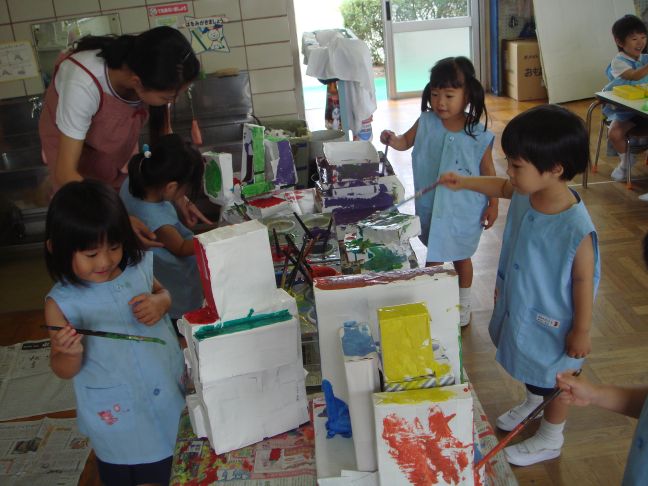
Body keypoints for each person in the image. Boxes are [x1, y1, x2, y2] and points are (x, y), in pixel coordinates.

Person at [438, 104, 600, 466]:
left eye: (516, 165)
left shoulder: (576, 228)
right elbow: (501, 186)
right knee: (531, 361)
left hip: (557, 321)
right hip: (526, 301)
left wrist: (582, 330)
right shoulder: (531, 191)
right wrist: (464, 181)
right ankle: (534, 401)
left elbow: (584, 281)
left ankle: (551, 437)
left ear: (555, 168)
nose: (509, 171)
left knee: (557, 378)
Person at [44, 180, 184, 486]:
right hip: (120, 418)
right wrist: (69, 353)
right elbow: (62, 369)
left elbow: (163, 293)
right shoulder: (62, 303)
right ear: (57, 249)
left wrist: (161, 303)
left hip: (167, 394)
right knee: (134, 472)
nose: (105, 261)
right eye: (91, 254)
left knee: (176, 466)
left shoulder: (138, 267)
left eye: (114, 247)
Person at [38, 26, 209, 244]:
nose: (173, 102)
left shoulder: (152, 70)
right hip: (72, 165)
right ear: (137, 82)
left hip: (113, 154)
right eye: (168, 98)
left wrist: (179, 196)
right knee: (94, 232)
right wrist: (119, 219)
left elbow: (164, 142)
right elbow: (65, 172)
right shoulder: (83, 83)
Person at [379, 56, 497, 327]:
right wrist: (392, 139)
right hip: (432, 205)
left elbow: (489, 173)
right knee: (434, 254)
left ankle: (463, 304)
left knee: (461, 257)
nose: (440, 102)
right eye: (434, 94)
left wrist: (494, 204)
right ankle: (430, 300)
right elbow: (404, 142)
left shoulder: (478, 134)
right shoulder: (426, 122)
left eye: (449, 95)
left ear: (467, 96)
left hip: (464, 211)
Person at [120, 134, 204, 324]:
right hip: (175, 283)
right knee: (182, 321)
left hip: (156, 271)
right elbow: (180, 247)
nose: (185, 194)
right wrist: (214, 237)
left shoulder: (133, 181)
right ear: (171, 187)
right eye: (185, 190)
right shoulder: (158, 221)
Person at [602, 14, 648, 199]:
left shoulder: (645, 58)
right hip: (625, 110)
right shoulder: (619, 61)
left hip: (643, 107)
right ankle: (625, 161)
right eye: (634, 38)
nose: (640, 42)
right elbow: (634, 76)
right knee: (615, 133)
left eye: (643, 37)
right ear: (620, 42)